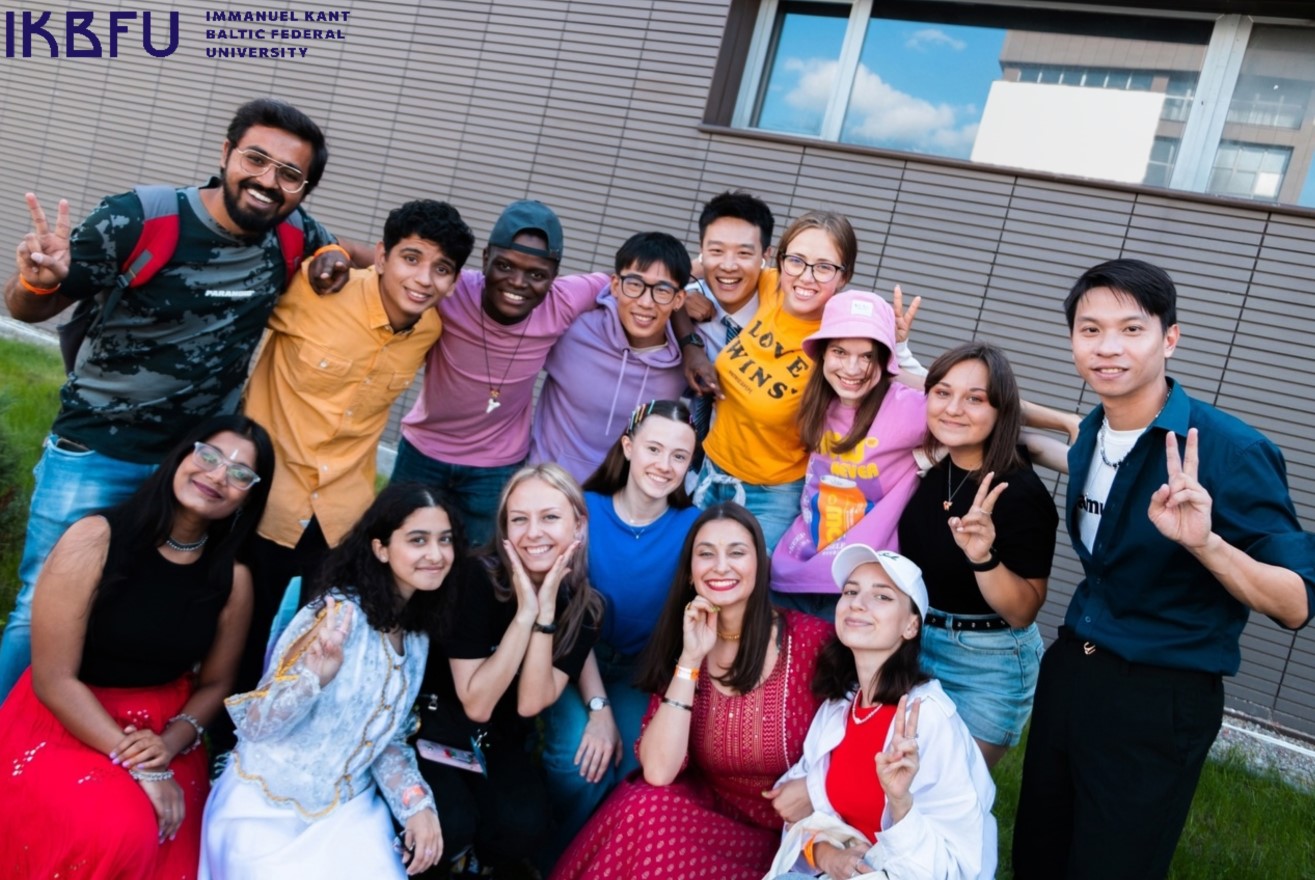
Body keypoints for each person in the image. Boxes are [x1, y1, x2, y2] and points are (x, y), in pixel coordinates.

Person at [0, 98, 367, 697]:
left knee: (150, 606)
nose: (267, 181)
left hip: (200, 465)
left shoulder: (291, 232)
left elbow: (343, 247)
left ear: (303, 189)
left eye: (289, 174)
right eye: (255, 159)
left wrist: (335, 256)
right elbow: (30, 307)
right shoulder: (137, 217)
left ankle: (101, 724)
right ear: (225, 153)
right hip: (99, 449)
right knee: (43, 601)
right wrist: (35, 282)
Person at [1012, 258, 1315, 880]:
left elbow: (1295, 604)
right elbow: (1015, 423)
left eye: (1131, 329)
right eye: (1091, 330)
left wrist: (1207, 545)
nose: (1108, 347)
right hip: (1071, 671)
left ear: (1169, 338)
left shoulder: (1230, 450)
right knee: (1039, 855)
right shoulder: (1093, 434)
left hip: (1160, 694)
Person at [0, 414, 274, 879]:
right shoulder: (95, 538)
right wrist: (145, 767)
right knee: (117, 832)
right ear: (181, 456)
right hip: (68, 714)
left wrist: (167, 746)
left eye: (239, 473)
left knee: (178, 844)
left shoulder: (233, 579)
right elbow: (52, 678)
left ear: (248, 498)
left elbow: (216, 684)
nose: (217, 476)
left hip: (163, 729)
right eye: (208, 456)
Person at [238, 199, 474, 705]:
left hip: (340, 515)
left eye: (441, 269)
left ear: (454, 281)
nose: (423, 279)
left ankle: (286, 726)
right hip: (266, 496)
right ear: (383, 256)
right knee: (242, 627)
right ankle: (221, 731)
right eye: (411, 258)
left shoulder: (429, 329)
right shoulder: (318, 288)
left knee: (314, 640)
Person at [550, 502, 833, 880]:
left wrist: (819, 787)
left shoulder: (812, 640)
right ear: (689, 572)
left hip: (787, 834)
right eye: (706, 554)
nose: (721, 566)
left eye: (737, 552)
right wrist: (690, 658)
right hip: (707, 818)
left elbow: (866, 731)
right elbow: (658, 770)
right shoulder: (684, 638)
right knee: (643, 806)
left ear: (760, 565)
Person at [200, 482, 454, 879]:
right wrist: (311, 680)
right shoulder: (334, 615)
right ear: (381, 548)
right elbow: (256, 727)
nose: (436, 554)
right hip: (266, 809)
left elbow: (386, 740)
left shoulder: (417, 636)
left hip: (349, 812)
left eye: (445, 540)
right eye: (418, 540)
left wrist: (416, 804)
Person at [412, 463, 602, 878]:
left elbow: (530, 702)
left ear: (578, 525)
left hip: (495, 739)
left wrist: (545, 615)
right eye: (519, 520)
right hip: (435, 724)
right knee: (451, 824)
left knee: (525, 827)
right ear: (504, 529)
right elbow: (477, 703)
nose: (533, 533)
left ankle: (473, 861)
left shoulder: (586, 610)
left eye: (549, 517)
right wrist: (525, 615)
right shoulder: (473, 579)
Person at [767, 544, 996, 880]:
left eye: (882, 596)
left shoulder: (928, 719)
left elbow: (958, 866)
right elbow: (800, 818)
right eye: (851, 591)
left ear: (911, 626)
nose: (857, 603)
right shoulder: (839, 708)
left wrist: (900, 803)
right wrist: (828, 855)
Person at [391, 200, 609, 545]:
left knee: (480, 564)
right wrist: (335, 252)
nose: (518, 282)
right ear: (485, 260)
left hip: (495, 466)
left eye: (537, 274)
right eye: (505, 266)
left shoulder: (564, 301)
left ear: (554, 276)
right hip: (423, 451)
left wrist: (688, 329)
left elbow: (636, 281)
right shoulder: (453, 289)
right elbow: (383, 265)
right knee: (402, 550)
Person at [540, 400, 703, 856]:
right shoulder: (583, 514)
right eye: (653, 448)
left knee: (626, 767)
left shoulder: (693, 528)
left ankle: (594, 863)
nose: (664, 465)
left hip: (640, 671)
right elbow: (571, 624)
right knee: (580, 763)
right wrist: (598, 711)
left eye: (679, 456)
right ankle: (553, 857)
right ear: (628, 447)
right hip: (574, 661)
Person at [896, 342, 1059, 768]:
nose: (953, 409)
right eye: (943, 393)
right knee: (894, 784)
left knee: (948, 788)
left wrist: (983, 557)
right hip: (915, 643)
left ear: (1001, 411)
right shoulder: (935, 464)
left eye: (975, 399)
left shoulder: (1019, 492)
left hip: (986, 661)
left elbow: (1023, 611)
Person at [771, 290, 928, 617]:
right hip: (792, 572)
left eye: (867, 356)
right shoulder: (813, 400)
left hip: (857, 585)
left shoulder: (907, 407)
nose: (852, 368)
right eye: (839, 352)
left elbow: (966, 402)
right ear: (823, 353)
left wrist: (899, 356)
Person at [529, 232, 692, 483]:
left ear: (678, 299)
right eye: (634, 284)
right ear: (615, 286)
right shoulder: (573, 331)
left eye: (662, 290)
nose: (646, 302)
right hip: (547, 486)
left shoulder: (686, 362)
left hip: (620, 499)